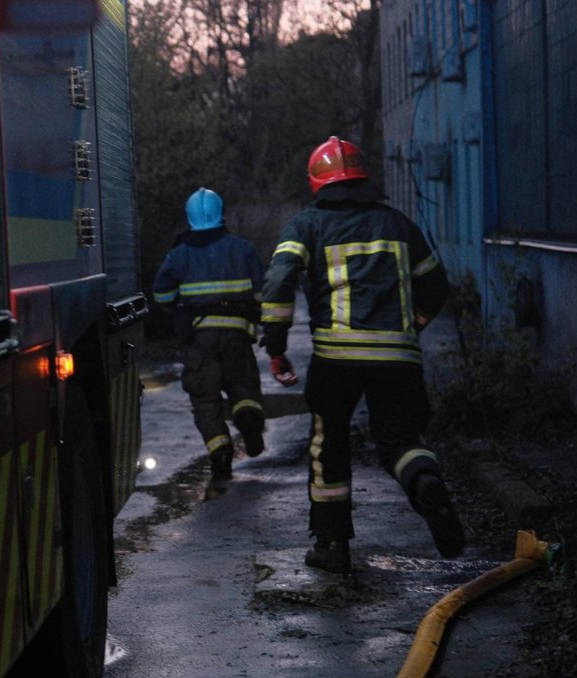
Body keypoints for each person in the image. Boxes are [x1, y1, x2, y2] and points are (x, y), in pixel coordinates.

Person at [260, 136, 463, 574]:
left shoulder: (306, 226)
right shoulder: (399, 224)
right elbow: (435, 285)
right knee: (400, 440)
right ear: (363, 178)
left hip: (336, 360)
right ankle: (425, 481)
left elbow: (278, 282)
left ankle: (332, 545)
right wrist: (411, 325)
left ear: (317, 182)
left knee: (329, 444)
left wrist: (276, 348)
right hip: (398, 358)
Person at [153, 187, 267, 481]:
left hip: (199, 336)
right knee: (243, 385)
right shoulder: (244, 249)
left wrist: (178, 304)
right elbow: (262, 294)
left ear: (189, 218)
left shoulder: (178, 255)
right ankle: (249, 420)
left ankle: (220, 452)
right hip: (237, 333)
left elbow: (161, 295)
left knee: (205, 398)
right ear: (222, 214)